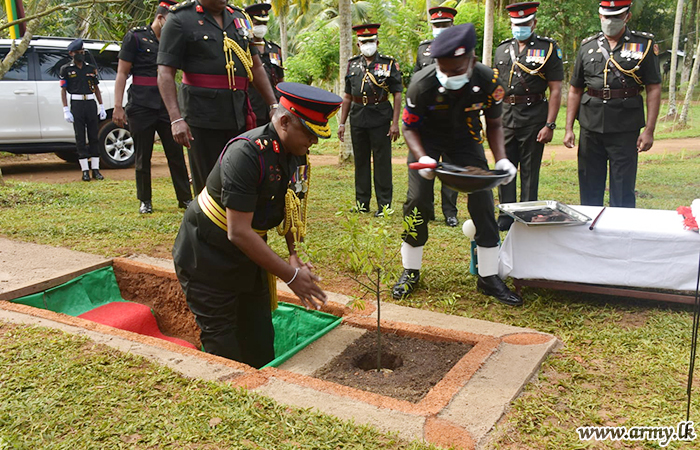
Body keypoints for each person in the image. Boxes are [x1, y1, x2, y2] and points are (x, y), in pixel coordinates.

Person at [172, 82, 341, 368]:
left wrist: (293, 254)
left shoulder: (296, 152)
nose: (314, 143)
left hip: (250, 256)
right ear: (284, 121)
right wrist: (289, 276)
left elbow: (291, 204)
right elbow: (237, 231)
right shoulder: (246, 154)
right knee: (224, 349)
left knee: (261, 341)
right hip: (207, 256)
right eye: (310, 133)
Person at [391, 23, 522, 307]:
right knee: (417, 201)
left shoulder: (489, 80)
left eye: (454, 70)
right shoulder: (421, 83)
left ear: (471, 60)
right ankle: (410, 271)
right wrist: (422, 156)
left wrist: (501, 158)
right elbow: (409, 128)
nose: (447, 75)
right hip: (426, 141)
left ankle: (488, 277)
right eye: (442, 68)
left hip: (466, 139)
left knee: (483, 201)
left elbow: (496, 122)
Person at [157, 0, 279, 196]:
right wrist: (176, 119)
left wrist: (273, 104)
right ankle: (206, 226)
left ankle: (236, 226)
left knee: (240, 179)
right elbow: (165, 73)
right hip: (202, 116)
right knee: (207, 185)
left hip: (239, 114)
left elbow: (255, 65)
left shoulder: (239, 18)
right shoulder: (180, 18)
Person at [564, 0, 661, 208]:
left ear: (627, 16)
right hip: (590, 126)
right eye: (606, 17)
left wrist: (650, 130)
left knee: (623, 188)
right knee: (589, 186)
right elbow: (575, 89)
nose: (610, 21)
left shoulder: (643, 45)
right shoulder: (587, 46)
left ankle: (622, 236)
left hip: (625, 128)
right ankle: (591, 235)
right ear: (600, 16)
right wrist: (568, 128)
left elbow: (653, 88)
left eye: (616, 17)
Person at [114, 0, 193, 214]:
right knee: (143, 156)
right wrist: (117, 106)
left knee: (175, 154)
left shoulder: (173, 40)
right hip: (140, 105)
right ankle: (145, 201)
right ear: (160, 18)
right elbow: (122, 73)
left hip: (166, 106)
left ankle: (185, 198)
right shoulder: (136, 37)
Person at [493, 2, 563, 231]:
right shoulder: (502, 49)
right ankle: (505, 214)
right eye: (515, 24)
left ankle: (527, 212)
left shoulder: (548, 48)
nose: (519, 28)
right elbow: (496, 88)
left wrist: (550, 124)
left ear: (533, 23)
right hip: (505, 117)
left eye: (524, 24)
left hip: (534, 117)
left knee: (530, 170)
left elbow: (555, 89)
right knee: (505, 168)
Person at [337, 23, 402, 216]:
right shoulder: (352, 64)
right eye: (364, 42)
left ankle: (384, 205)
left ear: (377, 42)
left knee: (382, 162)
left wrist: (395, 122)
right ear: (358, 44)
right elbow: (347, 95)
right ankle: (362, 203)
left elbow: (397, 93)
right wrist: (342, 122)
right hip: (358, 116)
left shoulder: (388, 63)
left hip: (380, 115)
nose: (368, 45)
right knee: (361, 162)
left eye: (371, 41)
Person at [414, 6, 460, 227]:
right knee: (427, 165)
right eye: (437, 26)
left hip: (452, 119)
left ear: (452, 26)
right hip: (428, 120)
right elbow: (416, 81)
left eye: (444, 25)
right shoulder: (423, 50)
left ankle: (450, 212)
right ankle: (427, 209)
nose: (440, 29)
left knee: (450, 167)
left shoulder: (462, 49)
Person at [60, 38, 107, 182]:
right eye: (78, 52)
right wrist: (66, 109)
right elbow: (63, 90)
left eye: (82, 52)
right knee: (80, 137)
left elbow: (96, 88)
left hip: (90, 103)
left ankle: (96, 170)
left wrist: (101, 105)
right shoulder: (66, 69)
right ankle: (85, 170)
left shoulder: (90, 68)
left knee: (94, 136)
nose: (81, 54)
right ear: (71, 54)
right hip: (77, 103)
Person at [245, 3, 284, 127]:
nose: (261, 27)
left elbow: (280, 81)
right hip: (251, 108)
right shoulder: (243, 50)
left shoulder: (275, 50)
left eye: (264, 24)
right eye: (257, 23)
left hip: (274, 108)